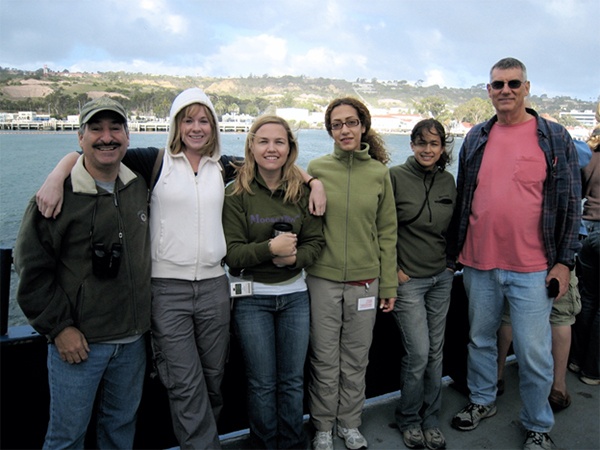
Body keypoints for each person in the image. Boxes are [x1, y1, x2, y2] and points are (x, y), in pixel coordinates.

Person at [35, 88, 326, 449]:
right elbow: (96, 152)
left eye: (204, 120)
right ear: (175, 123)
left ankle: (201, 441)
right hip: (166, 289)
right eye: (188, 119)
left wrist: (313, 182)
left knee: (212, 380)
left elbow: (270, 158)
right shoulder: (152, 162)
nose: (196, 127)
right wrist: (57, 174)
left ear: (214, 126)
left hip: (213, 288)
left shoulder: (221, 166)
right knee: (185, 383)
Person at [447, 57, 581, 450]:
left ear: (527, 87)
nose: (505, 90)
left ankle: (538, 423)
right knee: (480, 339)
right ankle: (482, 400)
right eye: (497, 84)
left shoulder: (554, 137)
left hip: (533, 267)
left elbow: (571, 204)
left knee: (533, 350)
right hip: (478, 261)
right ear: (488, 91)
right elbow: (464, 197)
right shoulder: (475, 137)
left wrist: (565, 261)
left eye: (513, 83)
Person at [14, 97, 152, 449]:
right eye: (96, 129)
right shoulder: (54, 198)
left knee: (120, 433)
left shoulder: (139, 183)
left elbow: (203, 156)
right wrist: (59, 328)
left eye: (115, 128)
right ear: (80, 138)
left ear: (127, 136)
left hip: (132, 341)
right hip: (79, 347)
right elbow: (31, 272)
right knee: (66, 438)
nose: (107, 137)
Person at [222, 115, 325, 449]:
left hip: (295, 297)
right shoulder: (235, 193)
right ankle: (265, 444)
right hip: (251, 299)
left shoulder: (301, 190)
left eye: (279, 142)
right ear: (251, 145)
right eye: (263, 141)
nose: (271, 148)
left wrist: (295, 259)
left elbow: (316, 242)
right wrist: (270, 249)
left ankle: (293, 443)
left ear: (290, 148)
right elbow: (232, 255)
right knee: (262, 384)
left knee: (292, 382)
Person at [306, 97, 397, 450]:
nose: (344, 130)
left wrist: (387, 283)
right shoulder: (317, 167)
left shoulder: (378, 173)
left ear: (363, 126)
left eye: (351, 122)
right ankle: (324, 427)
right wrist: (310, 179)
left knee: (356, 358)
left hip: (365, 282)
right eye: (337, 124)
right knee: (324, 358)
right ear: (330, 130)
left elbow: (388, 232)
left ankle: (350, 422)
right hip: (323, 280)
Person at [389, 119, 456, 450]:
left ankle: (431, 418)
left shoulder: (448, 181)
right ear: (412, 145)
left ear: (442, 148)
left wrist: (450, 264)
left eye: (434, 144)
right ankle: (409, 418)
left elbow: (456, 225)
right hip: (408, 280)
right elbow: (382, 227)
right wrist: (395, 269)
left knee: (435, 354)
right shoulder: (395, 178)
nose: (428, 149)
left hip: (440, 278)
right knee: (418, 353)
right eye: (421, 143)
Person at [496, 269, 581, 411]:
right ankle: (558, 389)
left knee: (509, 312)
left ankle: (496, 377)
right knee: (559, 314)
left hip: (517, 260)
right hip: (553, 260)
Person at [570, 125, 600, 385]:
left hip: (587, 231)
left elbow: (577, 191)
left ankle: (576, 358)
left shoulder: (592, 156)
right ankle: (592, 370)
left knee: (587, 299)